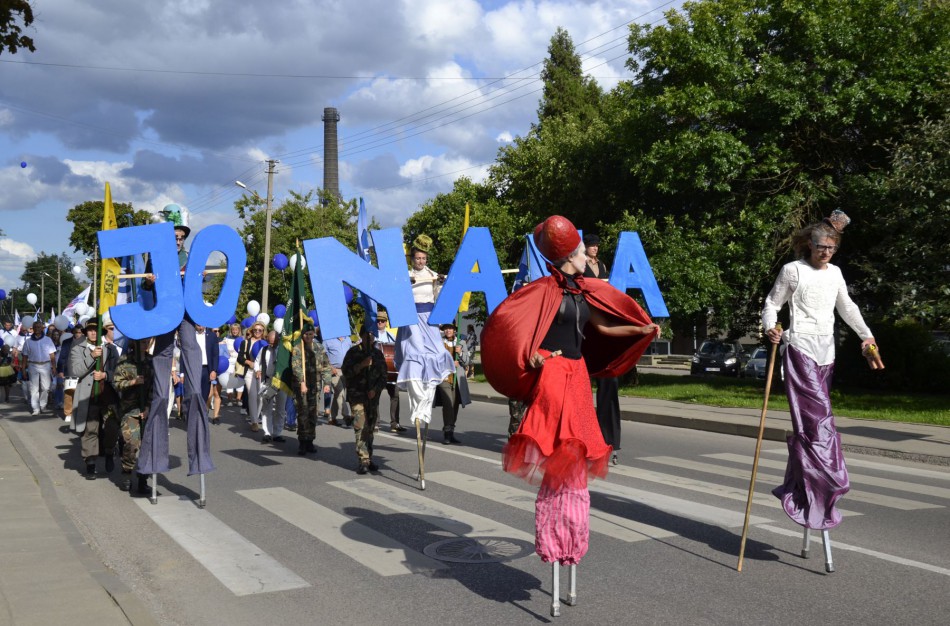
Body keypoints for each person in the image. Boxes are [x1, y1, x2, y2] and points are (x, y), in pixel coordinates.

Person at [481, 215, 657, 574]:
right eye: (580, 251)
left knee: (577, 450)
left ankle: (570, 531)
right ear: (568, 257)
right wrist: (535, 356)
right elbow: (519, 329)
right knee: (560, 451)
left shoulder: (583, 291)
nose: (585, 256)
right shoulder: (544, 291)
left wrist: (640, 328)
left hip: (576, 375)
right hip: (553, 375)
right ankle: (555, 533)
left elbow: (604, 325)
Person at [762, 210, 879, 532]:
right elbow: (772, 304)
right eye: (820, 247)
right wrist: (772, 328)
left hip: (827, 352)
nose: (825, 252)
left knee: (814, 425)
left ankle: (803, 487)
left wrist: (866, 336)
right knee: (819, 420)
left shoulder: (836, 274)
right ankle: (828, 478)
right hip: (799, 348)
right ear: (809, 245)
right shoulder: (793, 271)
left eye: (831, 248)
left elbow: (847, 308)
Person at [394, 235, 454, 434]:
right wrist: (405, 283)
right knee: (416, 353)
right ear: (412, 259)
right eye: (418, 259)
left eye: (423, 259)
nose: (421, 262)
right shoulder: (406, 275)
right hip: (412, 318)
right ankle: (417, 398)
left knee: (436, 352)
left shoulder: (432, 274)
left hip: (429, 317)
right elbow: (398, 296)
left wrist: (441, 283)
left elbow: (437, 297)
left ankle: (427, 396)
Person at [583, 233, 622, 465]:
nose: (595, 249)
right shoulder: (580, 266)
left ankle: (611, 443)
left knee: (610, 385)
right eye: (591, 246)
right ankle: (585, 441)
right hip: (586, 326)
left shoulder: (603, 266)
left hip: (604, 322)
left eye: (597, 246)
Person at [70, 319, 119, 479]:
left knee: (112, 426)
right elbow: (76, 371)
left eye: (96, 330)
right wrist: (91, 356)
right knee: (90, 429)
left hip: (108, 394)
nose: (93, 333)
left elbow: (118, 372)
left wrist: (105, 375)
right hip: (88, 396)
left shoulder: (110, 350)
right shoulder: (77, 349)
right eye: (90, 330)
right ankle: (90, 463)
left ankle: (110, 452)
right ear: (85, 333)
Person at [342, 324, 389, 474]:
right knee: (360, 427)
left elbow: (384, 376)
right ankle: (363, 460)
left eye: (372, 335)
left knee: (370, 429)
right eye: (366, 334)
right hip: (357, 396)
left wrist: (376, 390)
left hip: (372, 398)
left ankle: (369, 457)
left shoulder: (378, 354)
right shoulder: (353, 353)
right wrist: (361, 365)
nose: (369, 337)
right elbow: (346, 372)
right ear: (361, 336)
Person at [113, 337, 154, 493]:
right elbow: (117, 383)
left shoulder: (151, 362)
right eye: (142, 342)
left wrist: (149, 408)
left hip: (146, 409)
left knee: (147, 446)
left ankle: (143, 478)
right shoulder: (125, 361)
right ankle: (127, 472)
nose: (145, 345)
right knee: (132, 443)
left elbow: (155, 388)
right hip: (129, 409)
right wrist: (132, 382)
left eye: (146, 342)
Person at [292, 323, 333, 455]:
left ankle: (310, 440)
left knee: (313, 413)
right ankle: (302, 441)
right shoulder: (298, 349)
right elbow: (296, 368)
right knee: (303, 412)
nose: (309, 337)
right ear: (303, 335)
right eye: (306, 334)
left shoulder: (319, 348)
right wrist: (302, 382)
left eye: (311, 334)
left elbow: (326, 366)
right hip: (302, 386)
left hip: (315, 385)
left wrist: (327, 383)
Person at [434, 323, 470, 444]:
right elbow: (434, 359)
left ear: (454, 330)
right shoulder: (438, 342)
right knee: (448, 404)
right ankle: (447, 432)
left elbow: (467, 361)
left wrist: (459, 353)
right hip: (444, 377)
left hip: (456, 378)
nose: (448, 330)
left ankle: (451, 431)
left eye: (450, 328)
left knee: (455, 405)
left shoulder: (461, 343)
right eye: (446, 328)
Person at [374, 311, 406, 433]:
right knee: (375, 397)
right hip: (377, 373)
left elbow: (398, 350)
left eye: (382, 321)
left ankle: (395, 423)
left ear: (386, 323)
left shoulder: (392, 336)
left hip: (391, 372)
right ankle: (375, 422)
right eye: (378, 321)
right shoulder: (372, 336)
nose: (380, 323)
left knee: (395, 396)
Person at [256, 330, 288, 444]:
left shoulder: (283, 351)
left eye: (274, 343)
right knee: (267, 408)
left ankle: (278, 433)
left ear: (278, 340)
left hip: (281, 382)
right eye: (270, 343)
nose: (272, 345)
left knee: (280, 409)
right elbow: (257, 362)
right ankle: (267, 433)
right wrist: (257, 370)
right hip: (268, 381)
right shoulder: (263, 350)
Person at [19, 320, 57, 416]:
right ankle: (35, 408)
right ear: (33, 328)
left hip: (46, 365)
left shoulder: (48, 340)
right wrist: (23, 369)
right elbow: (24, 357)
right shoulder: (28, 342)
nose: (37, 329)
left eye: (39, 327)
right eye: (35, 327)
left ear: (42, 328)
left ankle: (43, 405)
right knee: (34, 388)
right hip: (33, 365)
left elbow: (52, 354)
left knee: (46, 387)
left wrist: (54, 367)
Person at [241, 322, 267, 432]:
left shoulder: (266, 343)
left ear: (263, 331)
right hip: (249, 372)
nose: (257, 332)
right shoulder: (246, 342)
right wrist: (248, 362)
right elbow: (240, 358)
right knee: (252, 395)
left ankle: (255, 415)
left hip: (261, 372)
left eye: (260, 330)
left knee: (260, 397)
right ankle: (254, 422)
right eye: (255, 329)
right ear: (252, 330)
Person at [324, 333, 353, 426]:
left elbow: (351, 354)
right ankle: (346, 416)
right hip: (333, 371)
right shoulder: (328, 339)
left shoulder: (348, 339)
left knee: (337, 394)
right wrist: (330, 367)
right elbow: (323, 355)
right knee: (340, 393)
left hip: (345, 371)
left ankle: (332, 418)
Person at [58, 325, 85, 425]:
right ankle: (68, 413)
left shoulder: (87, 342)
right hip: (69, 370)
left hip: (83, 370)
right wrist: (60, 370)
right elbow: (62, 357)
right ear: (73, 332)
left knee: (81, 393)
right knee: (69, 392)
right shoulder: (67, 342)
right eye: (76, 332)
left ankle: (79, 413)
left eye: (80, 333)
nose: (78, 335)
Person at [194, 324, 220, 424]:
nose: (200, 326)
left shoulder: (212, 336)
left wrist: (214, 370)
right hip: (194, 369)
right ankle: (194, 416)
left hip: (206, 369)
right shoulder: (191, 335)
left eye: (202, 324)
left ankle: (201, 416)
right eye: (198, 324)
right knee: (195, 393)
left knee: (205, 394)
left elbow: (215, 354)